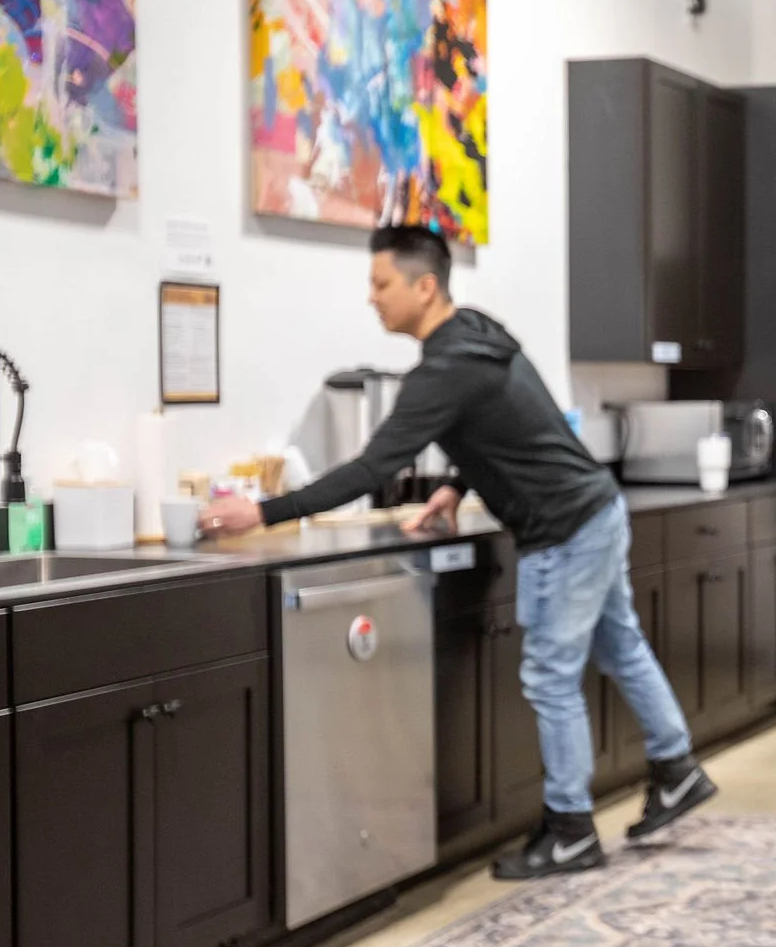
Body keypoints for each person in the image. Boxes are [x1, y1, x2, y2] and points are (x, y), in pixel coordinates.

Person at [201, 225, 716, 879]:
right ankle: (676, 768)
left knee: (550, 677)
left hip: (563, 528)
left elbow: (369, 468)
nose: (372, 298)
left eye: (380, 283)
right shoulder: (478, 334)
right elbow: (508, 426)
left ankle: (571, 830)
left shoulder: (444, 368)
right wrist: (453, 484)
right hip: (596, 508)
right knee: (622, 646)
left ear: (424, 285)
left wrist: (261, 511)